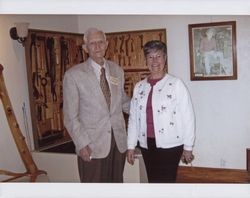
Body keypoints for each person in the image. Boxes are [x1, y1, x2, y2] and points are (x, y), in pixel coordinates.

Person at [63, 27, 130, 183]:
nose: (97, 47)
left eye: (101, 42)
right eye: (92, 43)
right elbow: (70, 116)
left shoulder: (117, 70)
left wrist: (146, 107)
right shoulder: (73, 75)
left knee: (116, 185)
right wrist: (81, 144)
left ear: (107, 44)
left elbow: (122, 101)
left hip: (118, 142)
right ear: (85, 48)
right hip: (92, 144)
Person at [126, 40, 195, 183]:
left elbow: (188, 117)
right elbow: (133, 119)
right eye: (150, 57)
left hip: (171, 144)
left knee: (166, 182)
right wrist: (130, 146)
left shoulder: (176, 84)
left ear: (165, 58)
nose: (155, 61)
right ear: (146, 60)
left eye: (158, 56)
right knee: (153, 181)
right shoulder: (139, 87)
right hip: (146, 144)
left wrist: (188, 146)